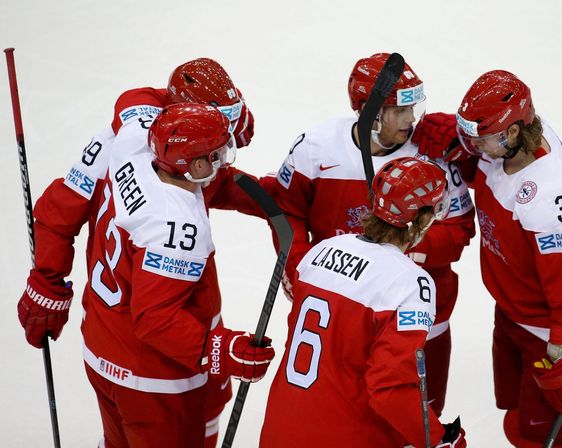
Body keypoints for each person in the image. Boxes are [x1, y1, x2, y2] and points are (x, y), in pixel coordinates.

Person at [16, 57, 262, 447]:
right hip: (159, 368)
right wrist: (220, 349)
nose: (228, 137)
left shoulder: (133, 136)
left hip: (105, 343)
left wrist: (47, 279)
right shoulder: (174, 220)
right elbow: (157, 319)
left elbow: (56, 209)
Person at [270, 52, 475, 416]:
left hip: (418, 314)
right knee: (343, 416)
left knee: (415, 417)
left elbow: (459, 229)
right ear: (371, 112)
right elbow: (287, 210)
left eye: (414, 108)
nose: (412, 120)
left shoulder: (434, 156)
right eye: (400, 110)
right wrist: (298, 265)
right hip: (344, 309)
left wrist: (397, 254)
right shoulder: (315, 148)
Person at [414, 70, 562, 447]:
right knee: (514, 417)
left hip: (551, 332)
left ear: (514, 133)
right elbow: (488, 169)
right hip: (513, 310)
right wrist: (455, 143)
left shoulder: (552, 198)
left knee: (540, 439)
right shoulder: (506, 144)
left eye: (479, 137)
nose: (471, 144)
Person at [77, 103, 274, 447]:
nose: (223, 161)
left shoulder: (134, 147)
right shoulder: (178, 228)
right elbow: (155, 319)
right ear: (195, 165)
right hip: (150, 381)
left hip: (101, 349)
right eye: (215, 155)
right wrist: (222, 350)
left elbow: (133, 99)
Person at [260, 157, 466, 447]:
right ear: (421, 218)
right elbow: (389, 388)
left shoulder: (322, 251)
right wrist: (437, 438)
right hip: (348, 434)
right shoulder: (411, 283)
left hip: (281, 428)